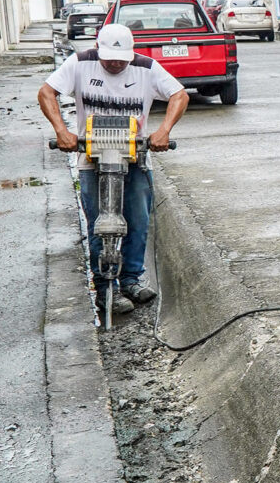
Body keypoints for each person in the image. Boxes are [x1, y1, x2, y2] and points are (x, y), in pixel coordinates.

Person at [38, 25, 189, 316]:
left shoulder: (146, 67)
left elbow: (179, 95)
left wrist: (164, 131)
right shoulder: (80, 63)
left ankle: (131, 279)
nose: (116, 63)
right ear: (98, 48)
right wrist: (62, 131)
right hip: (92, 156)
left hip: (134, 156)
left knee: (138, 219)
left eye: (121, 58)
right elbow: (46, 92)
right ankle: (106, 287)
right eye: (110, 58)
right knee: (99, 223)